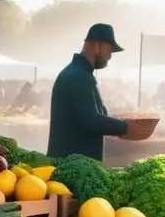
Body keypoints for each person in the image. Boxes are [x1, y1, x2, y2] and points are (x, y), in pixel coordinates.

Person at [47, 24, 150, 160]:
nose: (110, 57)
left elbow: (90, 114)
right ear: (97, 46)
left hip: (72, 164)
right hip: (71, 168)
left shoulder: (78, 73)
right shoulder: (79, 77)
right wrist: (124, 127)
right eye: (110, 50)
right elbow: (90, 119)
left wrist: (117, 121)